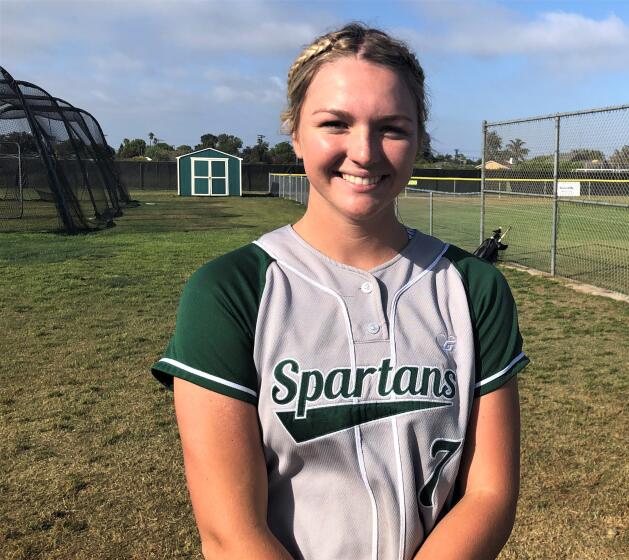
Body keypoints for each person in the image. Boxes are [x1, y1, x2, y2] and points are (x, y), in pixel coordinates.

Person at [152, 23, 529, 560]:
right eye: (335, 123)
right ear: (296, 135)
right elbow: (229, 531)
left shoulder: (473, 287)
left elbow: (489, 493)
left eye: (392, 128)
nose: (364, 151)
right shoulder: (230, 291)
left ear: (420, 137)